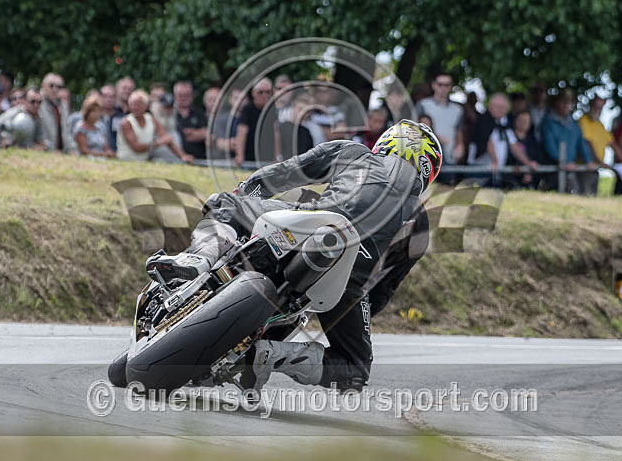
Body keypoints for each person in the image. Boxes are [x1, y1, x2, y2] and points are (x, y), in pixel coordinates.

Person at [146, 119, 442, 391]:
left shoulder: (354, 152)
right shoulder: (420, 221)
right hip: (348, 281)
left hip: (309, 221)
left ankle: (198, 259)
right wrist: (347, 311)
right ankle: (271, 355)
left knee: (227, 204)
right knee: (355, 369)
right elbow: (383, 290)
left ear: (389, 141)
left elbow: (287, 172)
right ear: (427, 169)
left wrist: (246, 194)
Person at [540, 90, 596, 194]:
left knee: (587, 182)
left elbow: (582, 144)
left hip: (571, 167)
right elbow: (550, 146)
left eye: (569, 102)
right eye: (563, 102)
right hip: (554, 168)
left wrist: (588, 161)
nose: (566, 105)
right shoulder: (548, 122)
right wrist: (563, 161)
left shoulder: (574, 124)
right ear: (557, 103)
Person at [116, 89, 193, 164]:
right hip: (126, 161)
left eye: (137, 104)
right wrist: (158, 143)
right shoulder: (126, 122)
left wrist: (183, 156)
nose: (134, 107)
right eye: (132, 104)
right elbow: (136, 147)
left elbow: (166, 139)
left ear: (145, 106)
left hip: (143, 162)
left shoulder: (151, 119)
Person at [415, 72, 464, 167]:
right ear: (433, 85)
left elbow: (458, 130)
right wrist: (436, 138)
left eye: (447, 85)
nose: (443, 88)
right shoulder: (422, 105)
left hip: (450, 157)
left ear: (451, 87)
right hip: (427, 157)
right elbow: (415, 129)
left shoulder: (458, 109)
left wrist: (460, 145)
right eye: (440, 84)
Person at [578, 95, 615, 195]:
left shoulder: (600, 125)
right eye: (596, 107)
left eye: (600, 108)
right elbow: (587, 143)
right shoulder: (583, 121)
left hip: (595, 168)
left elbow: (612, 144)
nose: (598, 110)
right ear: (590, 106)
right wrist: (599, 161)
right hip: (585, 168)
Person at [234, 78, 274, 166]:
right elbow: (241, 133)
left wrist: (277, 156)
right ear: (253, 93)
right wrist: (240, 155)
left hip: (268, 159)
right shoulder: (247, 109)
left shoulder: (273, 110)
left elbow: (277, 133)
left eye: (267, 92)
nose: (264, 95)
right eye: (260, 92)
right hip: (250, 158)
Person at [173, 81, 208, 160]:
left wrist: (198, 134)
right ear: (175, 96)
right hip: (176, 159)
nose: (184, 98)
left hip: (199, 159)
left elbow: (208, 133)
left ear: (192, 95)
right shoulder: (170, 114)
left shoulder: (200, 114)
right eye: (181, 95)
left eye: (187, 95)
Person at [38, 72, 72, 152]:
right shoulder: (37, 103)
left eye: (59, 87)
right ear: (43, 86)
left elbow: (67, 132)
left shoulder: (63, 106)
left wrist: (70, 150)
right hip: (43, 152)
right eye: (51, 86)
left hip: (61, 154)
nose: (55, 89)